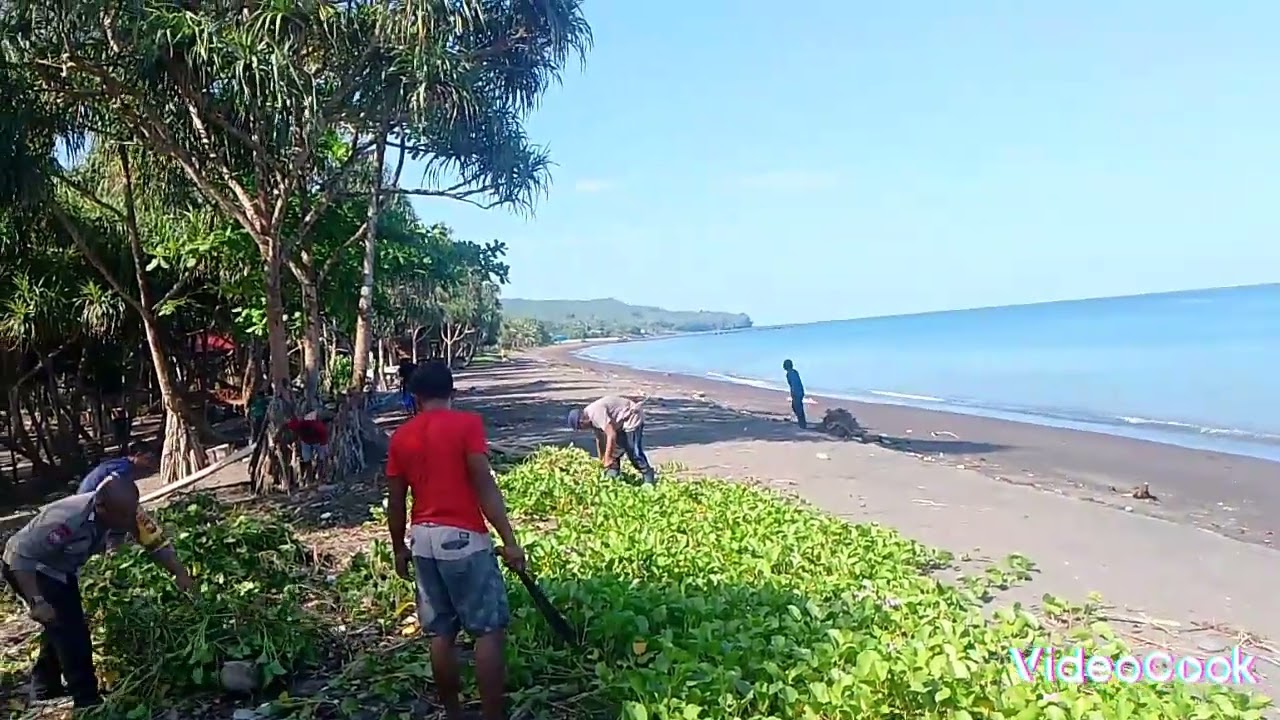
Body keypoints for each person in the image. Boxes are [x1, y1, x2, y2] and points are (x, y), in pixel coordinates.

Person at [385, 360, 525, 720]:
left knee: (440, 634)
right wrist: (509, 540)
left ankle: (453, 713)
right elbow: (483, 483)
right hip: (463, 539)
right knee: (488, 631)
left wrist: (399, 547)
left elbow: (396, 500)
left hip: (423, 541)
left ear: (415, 397)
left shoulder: (401, 437)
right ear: (453, 392)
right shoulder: (466, 425)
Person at [1, 477, 196, 708]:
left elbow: (155, 543)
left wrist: (180, 573)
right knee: (74, 633)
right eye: (122, 516)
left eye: (130, 513)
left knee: (59, 624)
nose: (128, 521)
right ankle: (87, 700)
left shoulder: (127, 511)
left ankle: (44, 687)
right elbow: (20, 555)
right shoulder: (68, 518)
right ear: (101, 506)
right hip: (30, 568)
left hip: (61, 570)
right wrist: (37, 601)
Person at [567, 395, 657, 486]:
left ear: (582, 421)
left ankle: (648, 477)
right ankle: (613, 477)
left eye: (581, 428)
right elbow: (600, 438)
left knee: (633, 451)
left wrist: (608, 457)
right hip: (619, 422)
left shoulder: (596, 414)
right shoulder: (589, 419)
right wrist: (602, 458)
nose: (584, 430)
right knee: (614, 452)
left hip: (631, 417)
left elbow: (611, 434)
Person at [285, 411, 330, 482]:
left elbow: (324, 442)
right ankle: (310, 480)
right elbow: (286, 424)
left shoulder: (319, 428)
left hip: (318, 441)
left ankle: (321, 477)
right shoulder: (298, 425)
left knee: (321, 459)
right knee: (307, 460)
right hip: (305, 441)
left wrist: (323, 451)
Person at [782, 359, 807, 429]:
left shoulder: (790, 373)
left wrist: (794, 393)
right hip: (799, 392)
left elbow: (794, 384)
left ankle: (802, 424)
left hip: (797, 392)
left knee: (798, 407)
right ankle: (802, 423)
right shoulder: (793, 372)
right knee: (796, 407)